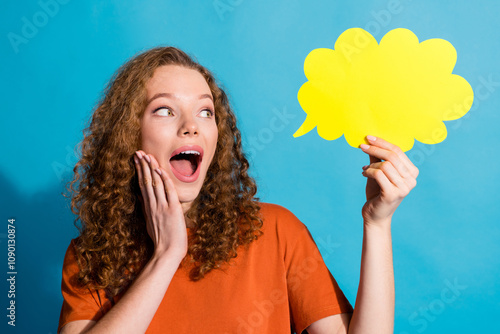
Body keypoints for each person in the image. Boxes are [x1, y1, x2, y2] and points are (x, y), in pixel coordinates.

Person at [58, 46, 418, 334]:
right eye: (165, 111)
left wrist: (377, 223)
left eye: (205, 112)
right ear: (128, 134)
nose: (191, 127)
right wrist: (166, 256)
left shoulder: (274, 232)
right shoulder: (91, 256)